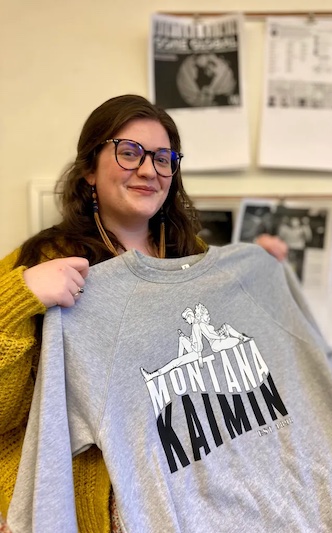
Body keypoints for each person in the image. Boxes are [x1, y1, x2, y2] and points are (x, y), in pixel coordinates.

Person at [0, 94, 289, 532]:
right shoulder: (40, 261)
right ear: (89, 171)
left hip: (204, 501)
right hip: (95, 514)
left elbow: (246, 384)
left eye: (163, 158)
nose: (149, 170)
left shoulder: (194, 258)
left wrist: (258, 283)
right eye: (129, 152)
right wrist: (20, 299)